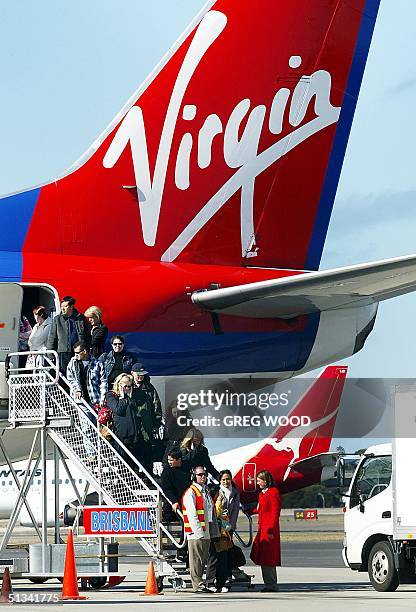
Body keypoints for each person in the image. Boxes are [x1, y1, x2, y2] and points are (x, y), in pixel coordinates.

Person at [105, 373, 153, 475]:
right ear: (119, 385)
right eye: (125, 386)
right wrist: (122, 397)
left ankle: (142, 479)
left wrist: (130, 397)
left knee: (141, 458)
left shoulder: (133, 396)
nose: (127, 388)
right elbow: (119, 410)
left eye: (129, 386)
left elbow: (139, 407)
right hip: (121, 434)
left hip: (134, 434)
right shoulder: (111, 395)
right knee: (123, 463)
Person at [182, 466, 219, 593]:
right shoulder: (191, 492)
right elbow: (192, 515)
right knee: (196, 560)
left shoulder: (205, 491)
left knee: (202, 560)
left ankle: (200, 583)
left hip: (206, 531)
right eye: (200, 475)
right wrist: (198, 532)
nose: (203, 477)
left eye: (204, 474)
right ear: (194, 476)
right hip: (196, 532)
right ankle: (197, 585)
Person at [66, 341, 106, 459]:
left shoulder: (98, 364)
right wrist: (77, 390)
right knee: (87, 427)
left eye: (78, 353)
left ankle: (100, 452)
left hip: (96, 401)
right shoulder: (72, 363)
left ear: (85, 352)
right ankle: (91, 454)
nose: (75, 355)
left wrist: (103, 398)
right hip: (82, 402)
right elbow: (71, 379)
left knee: (98, 427)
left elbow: (103, 382)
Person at [250, 470, 281, 592]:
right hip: (262, 529)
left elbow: (275, 512)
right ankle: (268, 583)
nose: (257, 483)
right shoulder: (262, 494)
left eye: (259, 480)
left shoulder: (273, 493)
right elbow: (261, 509)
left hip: (269, 530)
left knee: (269, 558)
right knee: (263, 557)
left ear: (265, 480)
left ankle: (271, 584)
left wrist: (270, 529)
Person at [47, 295, 89, 374]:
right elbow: (52, 337)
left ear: (71, 306)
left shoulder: (80, 318)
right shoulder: (57, 319)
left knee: (79, 373)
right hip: (63, 353)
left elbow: (87, 335)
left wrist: (86, 350)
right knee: (65, 373)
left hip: (78, 352)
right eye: (61, 306)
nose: (62, 309)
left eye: (65, 306)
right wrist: (50, 354)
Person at [205, 484, 234, 593]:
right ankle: (210, 582)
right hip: (213, 535)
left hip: (222, 536)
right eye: (218, 493)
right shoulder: (210, 504)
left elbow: (224, 517)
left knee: (223, 560)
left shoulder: (220, 504)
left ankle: (221, 582)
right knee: (213, 559)